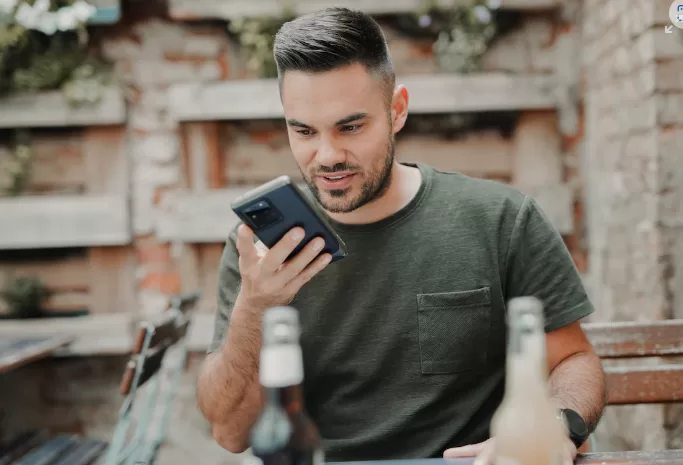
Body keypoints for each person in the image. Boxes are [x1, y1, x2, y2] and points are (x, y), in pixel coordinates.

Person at [196, 7, 606, 465]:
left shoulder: (502, 220)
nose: (327, 155)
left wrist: (551, 428)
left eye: (350, 127)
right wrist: (255, 308)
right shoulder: (259, 250)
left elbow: (574, 361)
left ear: (397, 110)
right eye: (304, 131)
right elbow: (231, 433)